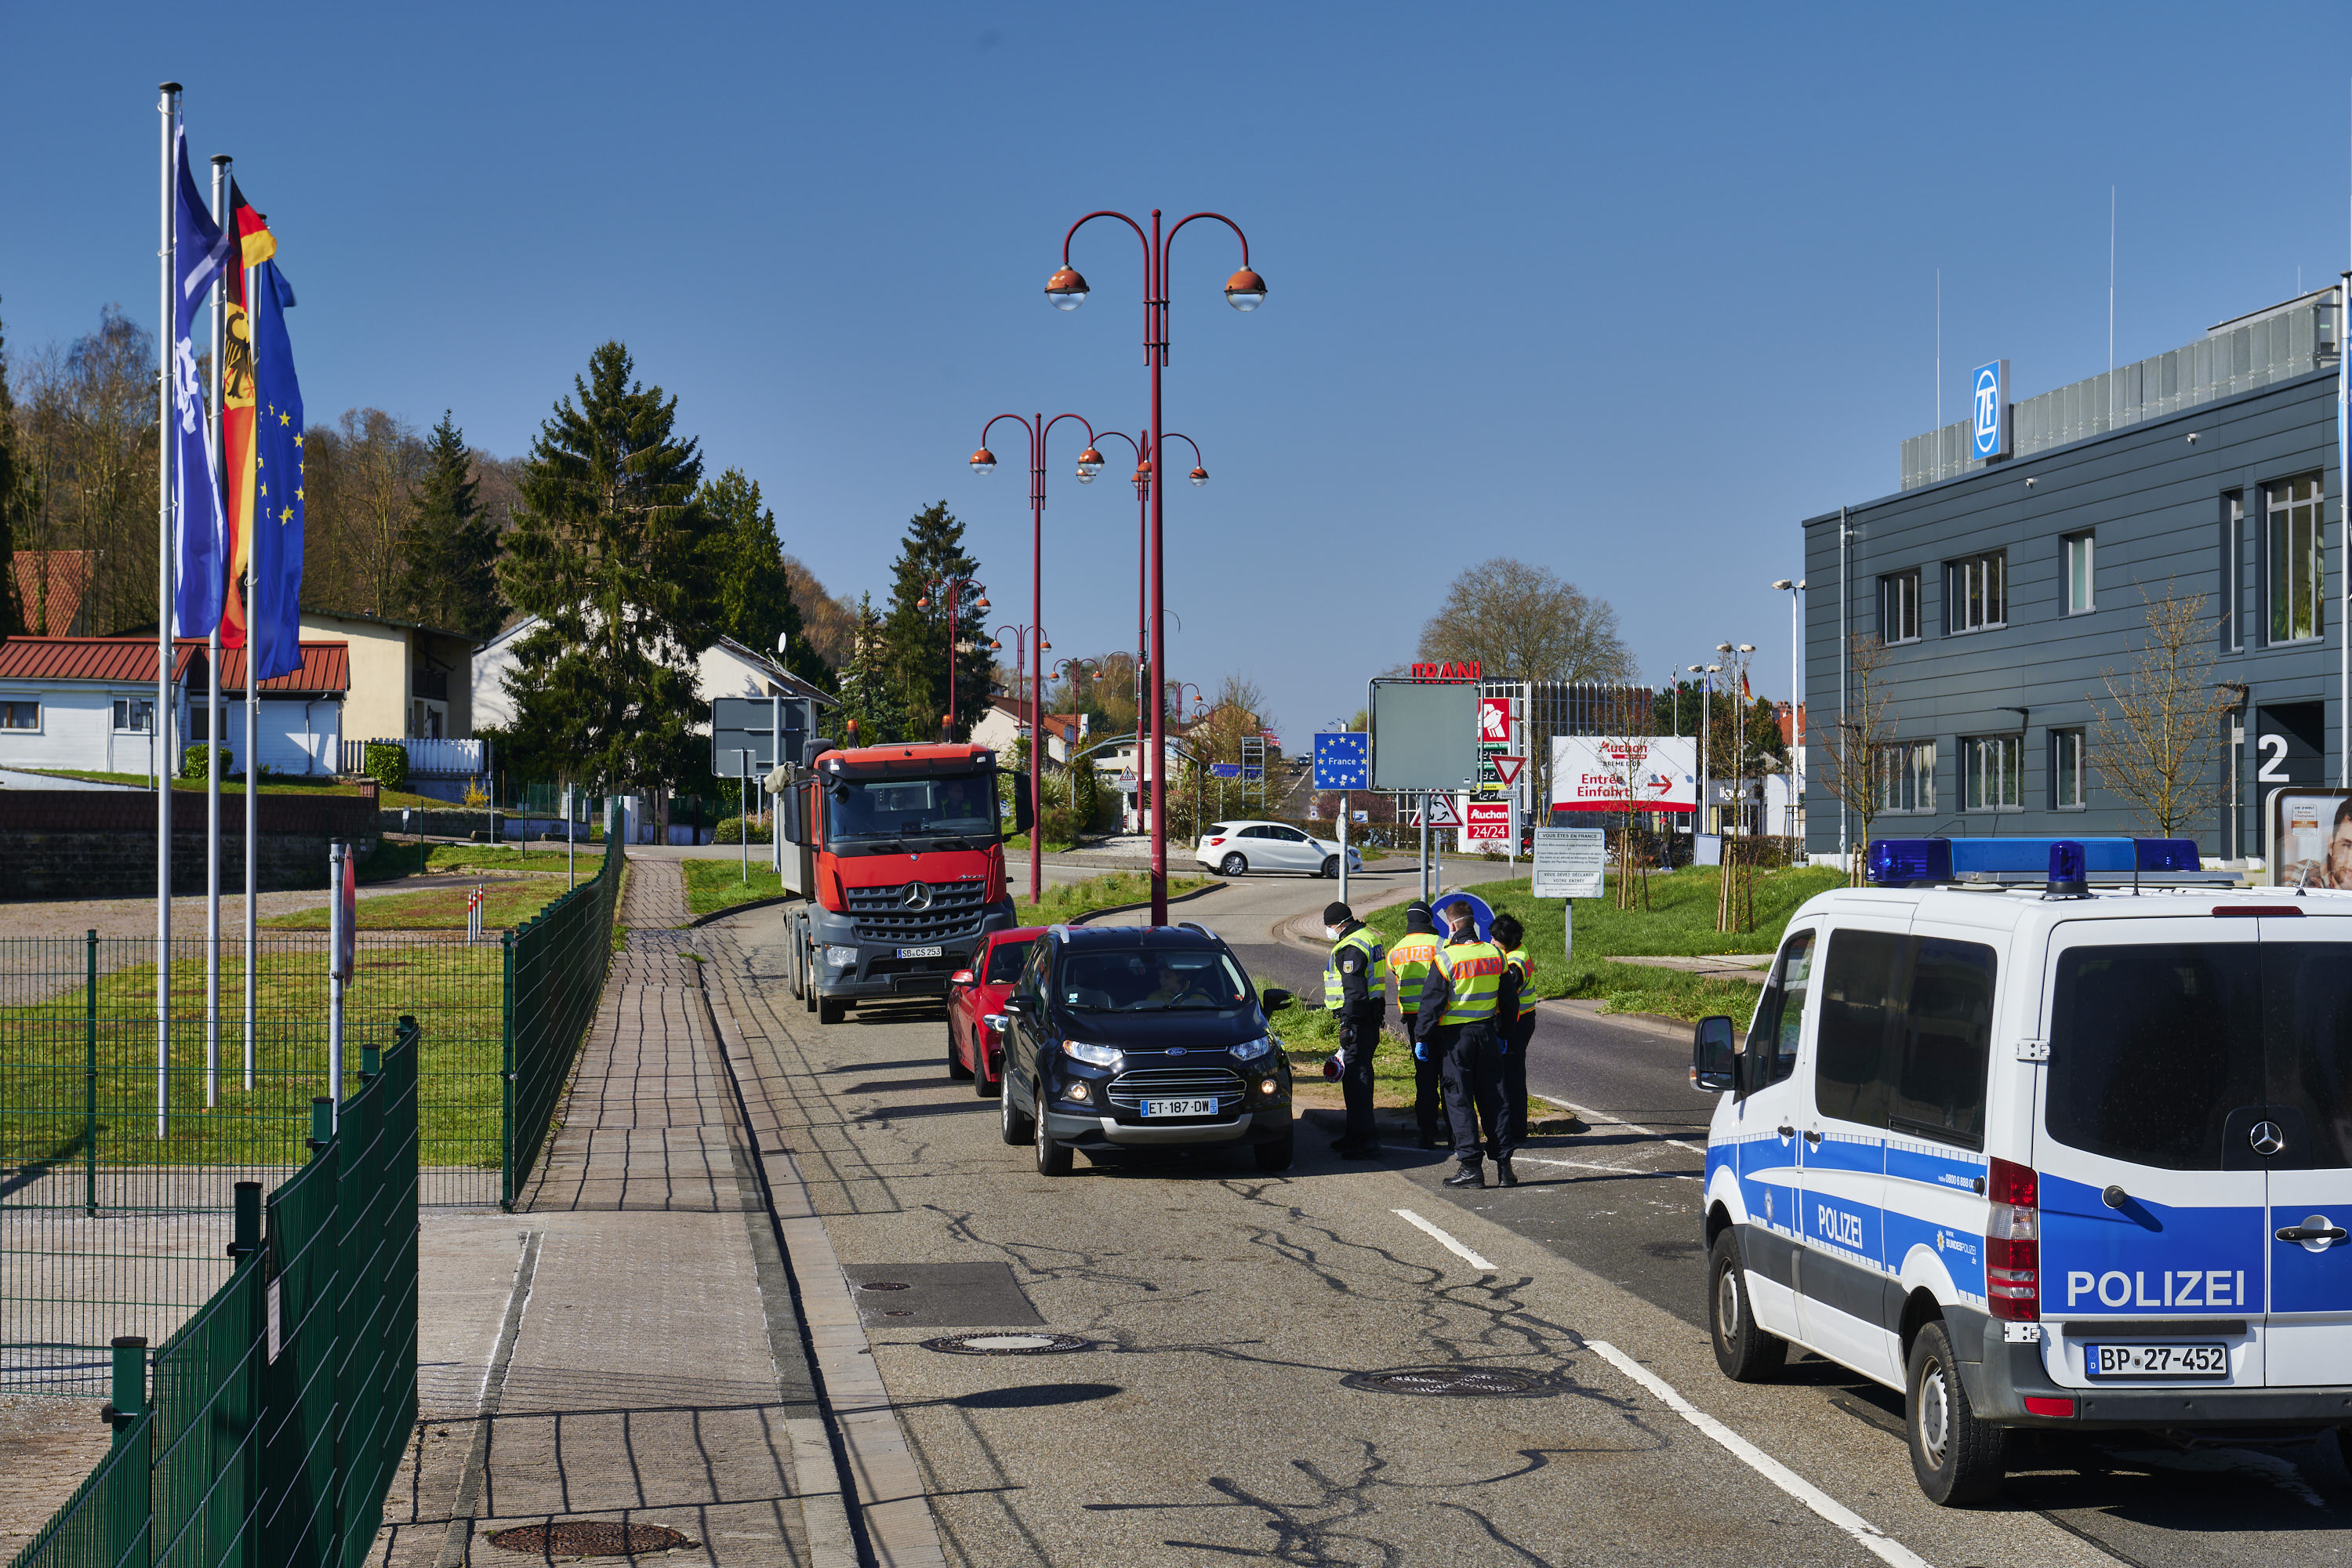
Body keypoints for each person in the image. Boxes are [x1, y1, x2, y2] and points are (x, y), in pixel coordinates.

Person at [1413, 901, 1515, 1188]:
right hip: (1487, 1035)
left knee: (1459, 1100)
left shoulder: (1446, 959)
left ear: (1454, 925)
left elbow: (1431, 1004)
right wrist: (1505, 1034)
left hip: (1456, 1041)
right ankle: (1505, 1167)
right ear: (1474, 924)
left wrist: (1422, 1038)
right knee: (1495, 1099)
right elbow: (1509, 1001)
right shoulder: (1495, 954)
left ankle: (1471, 1168)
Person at [1322, 901, 1388, 1158]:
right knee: (1355, 1077)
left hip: (1357, 1020)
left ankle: (1366, 1141)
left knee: (1358, 1080)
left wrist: (1346, 1025)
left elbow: (1355, 992)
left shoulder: (1351, 946)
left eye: (1329, 927)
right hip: (1368, 1017)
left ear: (1338, 925)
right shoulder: (1367, 937)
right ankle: (1354, 1134)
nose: (1328, 931)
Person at [1386, 902, 1448, 1149]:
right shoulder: (1441, 945)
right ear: (1429, 921)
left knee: (1424, 1077)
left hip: (1414, 1021)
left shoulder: (1396, 951)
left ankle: (1427, 1134)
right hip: (1442, 1018)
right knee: (1447, 1075)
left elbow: (1396, 974)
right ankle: (1455, 1132)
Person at [1488, 913, 1536, 1183]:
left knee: (1510, 1077)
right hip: (1521, 1018)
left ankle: (1515, 1130)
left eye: (1496, 938)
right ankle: (1517, 1129)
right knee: (1514, 1075)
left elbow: (1507, 989)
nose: (1492, 941)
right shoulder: (1513, 952)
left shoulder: (1515, 962)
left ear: (1507, 941)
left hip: (1516, 1023)